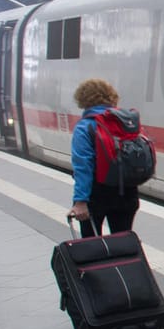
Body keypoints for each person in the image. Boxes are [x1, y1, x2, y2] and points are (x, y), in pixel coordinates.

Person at [68, 78, 139, 237]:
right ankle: (125, 262)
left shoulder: (85, 126)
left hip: (96, 194)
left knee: (92, 244)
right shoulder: (126, 122)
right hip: (126, 191)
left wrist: (80, 201)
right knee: (123, 243)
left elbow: (83, 166)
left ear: (82, 99)